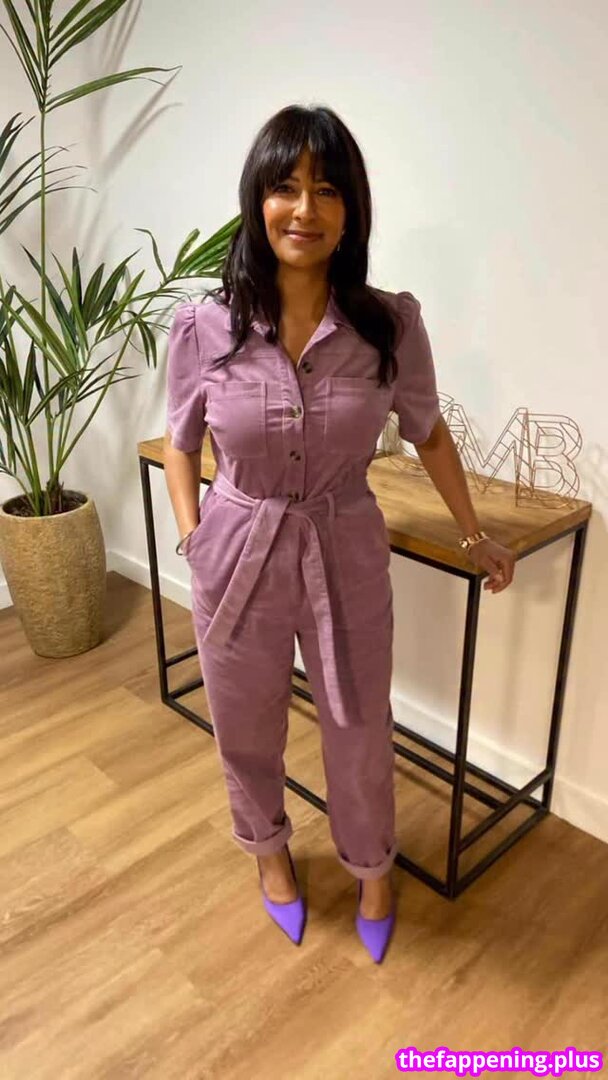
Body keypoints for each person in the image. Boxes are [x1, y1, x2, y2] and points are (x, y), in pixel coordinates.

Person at [163, 104, 515, 964]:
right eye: (285, 187)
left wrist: (475, 537)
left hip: (344, 546)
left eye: (326, 190)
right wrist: (193, 536)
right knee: (245, 723)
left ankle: (372, 871)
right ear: (257, 200)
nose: (304, 209)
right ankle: (270, 856)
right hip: (235, 550)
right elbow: (179, 440)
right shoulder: (205, 327)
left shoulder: (387, 326)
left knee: (358, 726)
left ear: (351, 210)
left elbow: (429, 432)